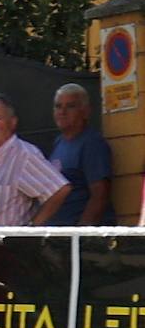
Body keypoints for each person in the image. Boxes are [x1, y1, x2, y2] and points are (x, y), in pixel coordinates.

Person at [0, 93, 70, 227]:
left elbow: (59, 189)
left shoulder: (23, 155)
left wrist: (30, 231)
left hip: (8, 247)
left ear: (13, 122)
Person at [47, 83, 114, 225]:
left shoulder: (92, 144)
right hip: (58, 238)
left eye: (70, 106)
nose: (62, 112)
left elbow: (99, 196)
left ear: (85, 111)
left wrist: (80, 237)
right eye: (58, 106)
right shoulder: (59, 142)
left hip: (79, 239)